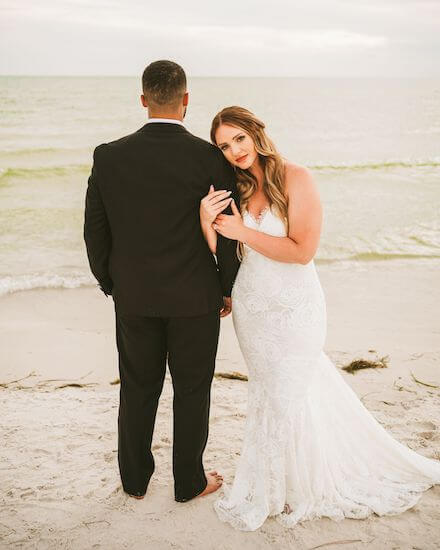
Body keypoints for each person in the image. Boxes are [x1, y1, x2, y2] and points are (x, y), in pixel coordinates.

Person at [200, 106, 440, 531]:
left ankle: (305, 486)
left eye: (239, 138)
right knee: (269, 393)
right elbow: (223, 252)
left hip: (295, 305)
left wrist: (243, 232)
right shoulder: (233, 187)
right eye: (224, 144)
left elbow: (301, 251)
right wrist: (208, 222)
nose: (234, 150)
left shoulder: (297, 178)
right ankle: (277, 482)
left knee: (293, 386)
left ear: (256, 133)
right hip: (252, 305)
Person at [84, 61, 240, 503]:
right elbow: (227, 230)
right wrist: (226, 286)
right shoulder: (211, 158)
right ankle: (188, 482)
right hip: (195, 298)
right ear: (186, 101)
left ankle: (134, 481)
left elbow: (95, 229)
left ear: (143, 99)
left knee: (137, 388)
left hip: (133, 296)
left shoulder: (109, 155)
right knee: (192, 391)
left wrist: (110, 281)